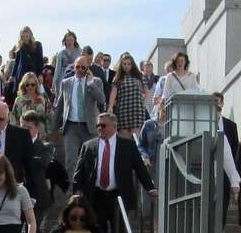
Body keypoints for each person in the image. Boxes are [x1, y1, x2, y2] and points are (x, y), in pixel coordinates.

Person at [73, 111, 157, 233]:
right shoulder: (88, 146)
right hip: (96, 197)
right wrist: (77, 191)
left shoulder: (127, 145)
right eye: (98, 126)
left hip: (119, 196)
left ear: (114, 126)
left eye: (103, 125)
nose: (100, 128)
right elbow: (79, 172)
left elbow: (140, 169)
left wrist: (150, 188)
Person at [51, 56, 106, 186]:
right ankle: (72, 190)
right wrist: (53, 128)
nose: (80, 70)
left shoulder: (96, 82)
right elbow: (60, 105)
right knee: (71, 160)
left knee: (89, 160)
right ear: (73, 67)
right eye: (77, 67)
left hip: (89, 127)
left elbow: (102, 100)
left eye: (83, 67)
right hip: (71, 126)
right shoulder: (66, 83)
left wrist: (91, 84)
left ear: (88, 68)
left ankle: (88, 189)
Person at [20, 110, 55, 233]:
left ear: (37, 129)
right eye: (22, 127)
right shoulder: (17, 144)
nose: (24, 131)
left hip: (38, 199)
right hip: (19, 196)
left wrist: (24, 156)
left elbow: (42, 163)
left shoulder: (45, 147)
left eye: (27, 128)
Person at [214, 92, 240, 226]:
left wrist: (235, 178)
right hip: (210, 168)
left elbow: (234, 150)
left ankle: (221, 227)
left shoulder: (230, 126)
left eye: (218, 103)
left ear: (222, 104)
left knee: (224, 198)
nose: (217, 107)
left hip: (225, 169)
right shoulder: (205, 125)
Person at [108, 52, 146, 138]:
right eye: (124, 64)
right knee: (124, 137)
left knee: (136, 138)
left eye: (129, 64)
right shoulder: (117, 78)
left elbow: (146, 92)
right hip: (123, 109)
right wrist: (110, 107)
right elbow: (113, 93)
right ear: (121, 65)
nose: (126, 66)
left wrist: (142, 102)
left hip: (137, 110)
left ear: (132, 65)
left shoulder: (139, 76)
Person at [10, 72, 52, 137]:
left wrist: (50, 133)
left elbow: (50, 116)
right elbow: (14, 119)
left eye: (32, 84)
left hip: (42, 134)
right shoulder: (19, 100)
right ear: (24, 85)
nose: (30, 87)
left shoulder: (44, 98)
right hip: (24, 135)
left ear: (36, 85)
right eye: (27, 85)